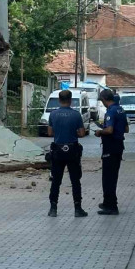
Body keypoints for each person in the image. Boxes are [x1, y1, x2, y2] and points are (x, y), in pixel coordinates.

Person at [47, 90, 88, 218]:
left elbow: (50, 133)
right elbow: (81, 133)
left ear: (59, 100)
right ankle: (78, 208)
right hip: (72, 151)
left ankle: (53, 208)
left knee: (56, 181)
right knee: (75, 181)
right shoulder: (76, 115)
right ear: (70, 100)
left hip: (58, 151)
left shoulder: (53, 114)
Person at [94, 89, 129, 215]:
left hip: (111, 146)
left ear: (104, 99)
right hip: (119, 146)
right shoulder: (121, 110)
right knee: (113, 176)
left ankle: (111, 206)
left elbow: (109, 130)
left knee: (108, 177)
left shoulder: (110, 111)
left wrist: (99, 132)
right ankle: (108, 201)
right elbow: (126, 128)